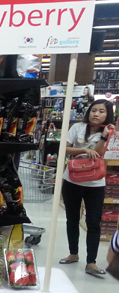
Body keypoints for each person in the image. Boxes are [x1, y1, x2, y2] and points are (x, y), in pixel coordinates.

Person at [59, 99, 115, 276]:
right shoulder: (77, 128)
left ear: (108, 115)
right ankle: (73, 254)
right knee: (72, 219)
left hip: (95, 184)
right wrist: (83, 151)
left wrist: (105, 136)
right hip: (71, 180)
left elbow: (99, 153)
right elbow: (65, 149)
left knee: (93, 222)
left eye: (101, 111)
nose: (96, 114)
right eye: (94, 110)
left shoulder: (110, 132)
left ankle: (91, 262)